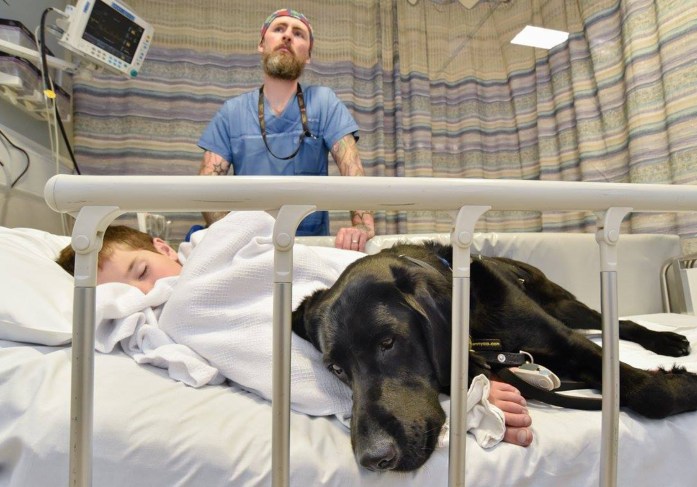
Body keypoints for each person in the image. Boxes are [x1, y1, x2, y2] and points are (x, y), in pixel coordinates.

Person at [56, 224, 533, 447]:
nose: (149, 290)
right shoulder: (181, 316)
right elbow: (270, 356)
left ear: (163, 246)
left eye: (141, 270)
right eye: (125, 294)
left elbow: (275, 240)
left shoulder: (217, 250)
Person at [197, 8, 375, 251]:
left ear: (308, 55)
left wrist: (361, 226)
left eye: (299, 33)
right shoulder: (232, 113)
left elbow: (353, 170)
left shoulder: (324, 103)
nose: (288, 36)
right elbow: (208, 190)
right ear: (262, 44)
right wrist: (235, 241)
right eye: (279, 29)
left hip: (309, 248)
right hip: (248, 248)